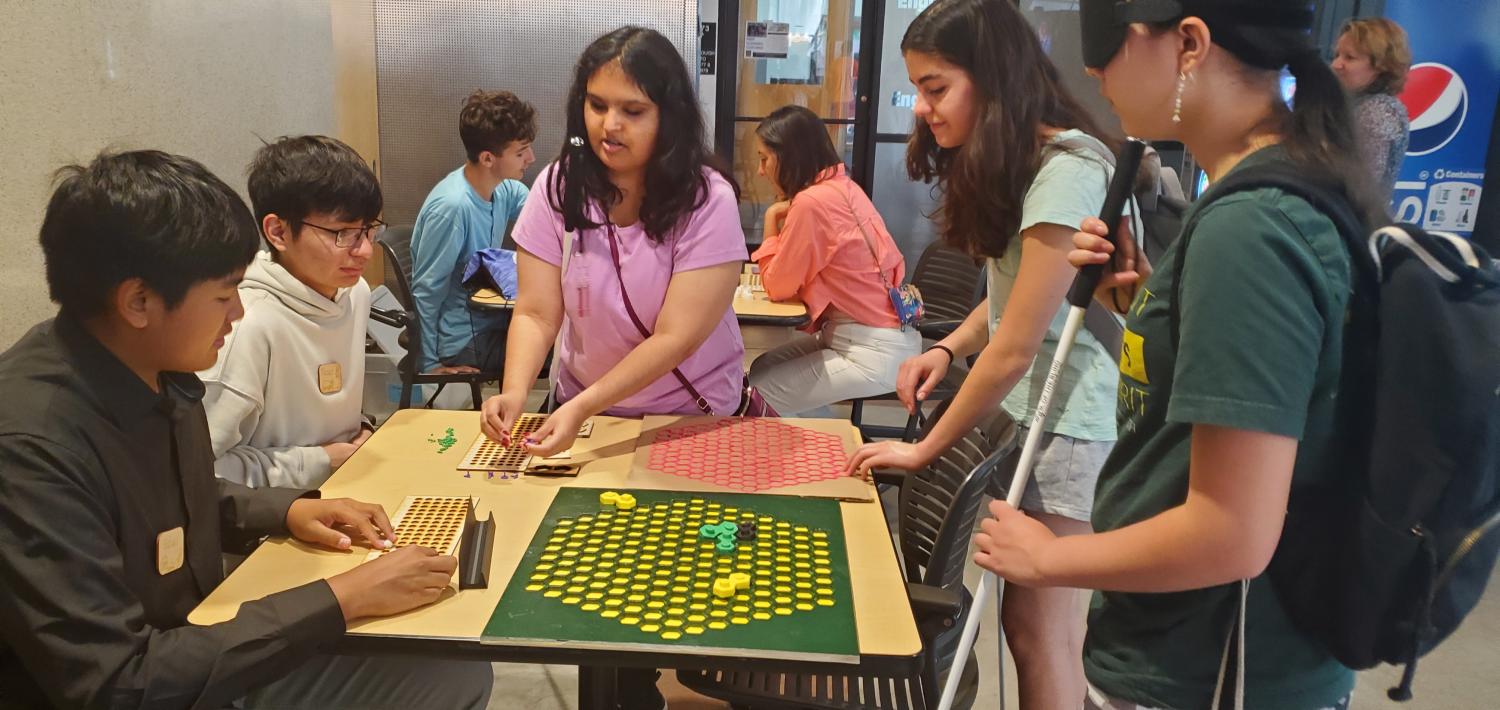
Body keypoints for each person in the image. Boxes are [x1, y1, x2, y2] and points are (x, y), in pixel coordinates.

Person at [976, 1, 1388, 708]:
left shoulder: (1251, 229)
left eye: (1110, 44)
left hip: (1209, 668)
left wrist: (1049, 558)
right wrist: (1136, 309)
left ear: (1189, 43)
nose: (1093, 68)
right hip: (1210, 651)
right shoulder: (1268, 192)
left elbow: (1232, 531)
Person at [0, 149, 492, 709]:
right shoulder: (31, 448)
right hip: (158, 680)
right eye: (223, 294)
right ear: (138, 301)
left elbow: (178, 493)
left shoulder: (152, 367)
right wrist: (339, 600)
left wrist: (285, 510)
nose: (236, 314)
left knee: (456, 673)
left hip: (196, 639)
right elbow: (117, 683)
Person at [844, 1, 1125, 707]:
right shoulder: (1027, 162)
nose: (923, 109)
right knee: (1033, 626)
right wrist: (947, 346)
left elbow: (1016, 348)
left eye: (937, 88)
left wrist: (923, 449)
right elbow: (1011, 298)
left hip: (1067, 424)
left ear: (992, 75)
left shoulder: (1068, 167)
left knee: (1040, 630)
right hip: (1033, 417)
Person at [479, 26, 747, 709]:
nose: (610, 124)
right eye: (597, 105)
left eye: (632, 109)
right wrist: (518, 392)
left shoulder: (707, 199)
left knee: (670, 595)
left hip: (687, 425)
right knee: (595, 595)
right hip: (588, 426)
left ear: (669, 115)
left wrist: (578, 406)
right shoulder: (561, 185)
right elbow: (538, 312)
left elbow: (677, 336)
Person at [200, 135, 382, 490]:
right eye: (343, 233)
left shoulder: (355, 293)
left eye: (369, 230)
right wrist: (320, 461)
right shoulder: (246, 324)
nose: (364, 251)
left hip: (344, 486)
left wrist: (358, 432)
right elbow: (202, 473)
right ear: (278, 232)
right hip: (269, 526)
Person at [746, 105, 921, 417]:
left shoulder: (811, 202)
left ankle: (827, 455)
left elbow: (776, 285)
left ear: (788, 156)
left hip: (870, 350)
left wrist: (772, 216)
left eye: (764, 158)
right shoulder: (843, 187)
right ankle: (825, 449)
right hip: (878, 336)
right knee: (762, 369)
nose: (760, 171)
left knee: (757, 395)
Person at [411, 89, 537, 376]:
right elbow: (427, 292)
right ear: (488, 159)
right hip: (460, 340)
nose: (530, 158)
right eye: (520, 152)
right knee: (554, 350)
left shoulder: (504, 189)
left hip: (490, 320)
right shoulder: (453, 208)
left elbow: (544, 220)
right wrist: (430, 365)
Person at [1331, 17, 1412, 201]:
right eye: (1337, 55)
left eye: (1349, 57)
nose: (1336, 64)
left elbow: (1359, 191)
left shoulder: (1376, 113)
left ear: (1381, 66)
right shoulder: (1356, 105)